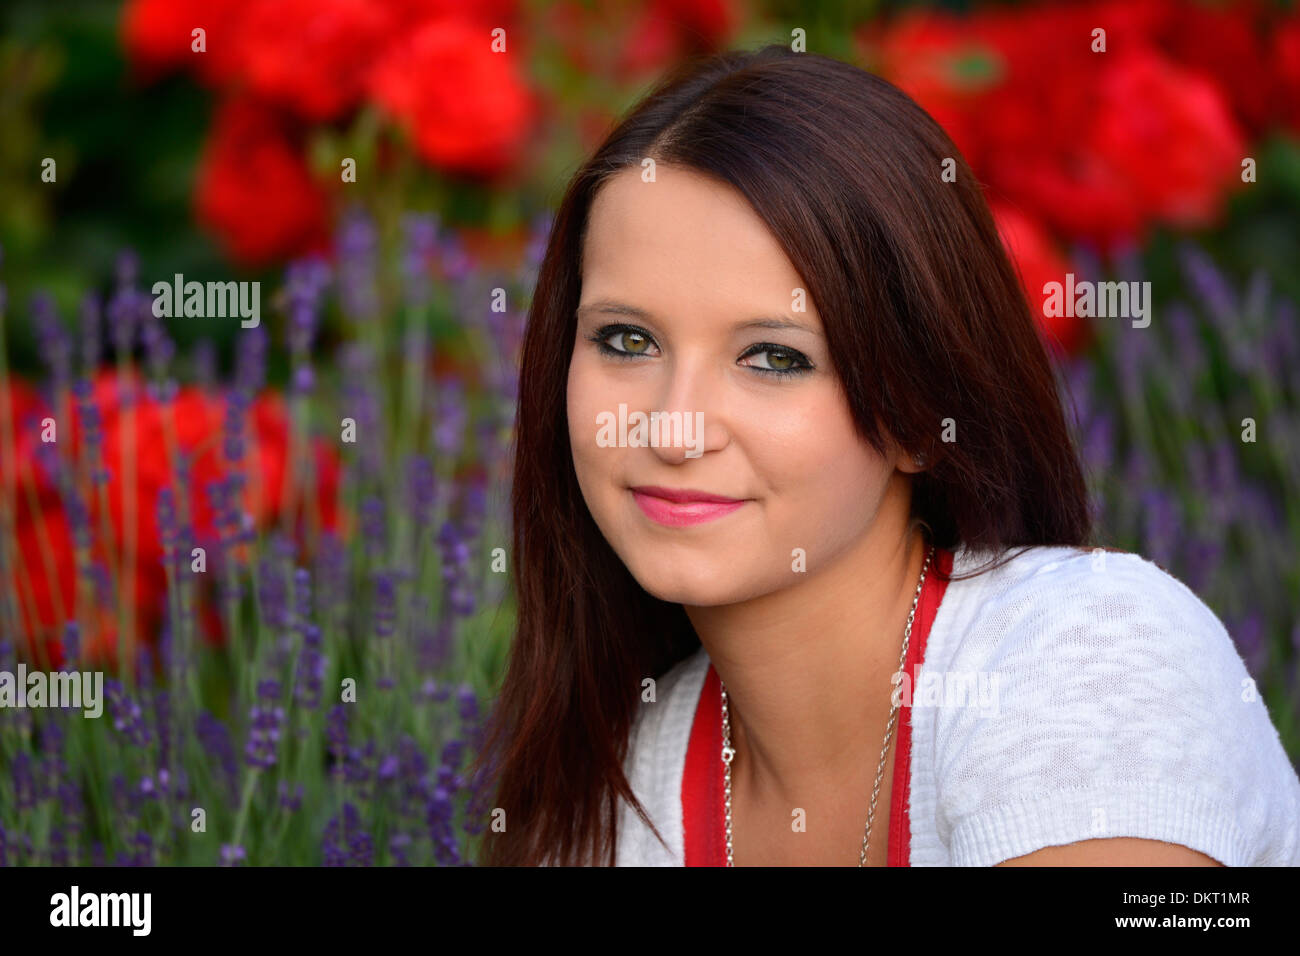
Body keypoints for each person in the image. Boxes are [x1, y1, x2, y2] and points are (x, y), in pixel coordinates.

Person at [472, 44, 1300, 866]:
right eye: (627, 339)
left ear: (914, 411)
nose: (673, 429)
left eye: (773, 357)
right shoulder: (617, 794)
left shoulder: (1085, 658)